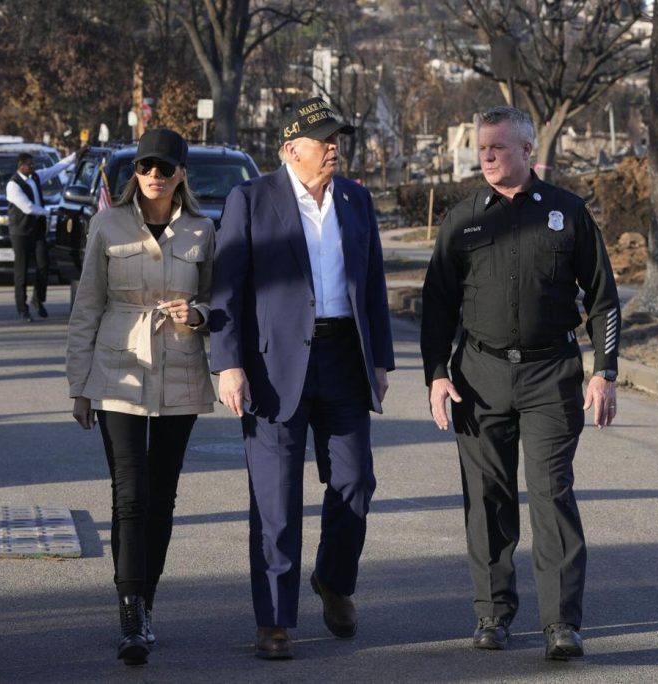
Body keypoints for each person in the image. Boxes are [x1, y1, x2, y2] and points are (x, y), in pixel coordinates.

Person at [420, 106, 620, 661]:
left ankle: (562, 624)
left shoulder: (567, 213)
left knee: (551, 494)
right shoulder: (461, 219)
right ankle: (492, 614)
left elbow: (603, 298)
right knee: (487, 498)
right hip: (478, 376)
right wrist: (437, 374)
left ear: (528, 151)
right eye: (482, 148)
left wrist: (604, 371)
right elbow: (436, 305)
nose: (486, 157)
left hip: (550, 373)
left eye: (498, 148)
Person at [210, 98, 395, 660]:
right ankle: (274, 619)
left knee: (356, 481)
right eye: (323, 139)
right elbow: (226, 288)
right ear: (292, 149)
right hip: (274, 366)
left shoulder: (357, 200)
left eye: (338, 137)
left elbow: (374, 284)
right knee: (276, 498)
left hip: (343, 358)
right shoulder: (251, 199)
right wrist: (229, 363)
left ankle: (334, 580)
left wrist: (380, 361)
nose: (334, 147)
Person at [66, 128, 215, 666]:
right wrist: (78, 385)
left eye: (164, 167)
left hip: (180, 365)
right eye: (145, 166)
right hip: (117, 368)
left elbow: (216, 299)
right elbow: (87, 304)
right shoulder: (107, 224)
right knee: (129, 493)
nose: (154, 175)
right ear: (135, 172)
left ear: (180, 173)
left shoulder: (202, 229)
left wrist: (197, 314)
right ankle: (130, 609)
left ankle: (145, 600)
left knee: (162, 494)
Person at [6, 150, 75, 321]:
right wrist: (50, 212)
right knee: (21, 270)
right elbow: (28, 207)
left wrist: (75, 156)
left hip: (37, 230)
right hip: (21, 232)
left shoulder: (35, 177)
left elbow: (56, 168)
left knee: (43, 265)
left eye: (33, 164)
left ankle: (38, 299)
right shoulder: (13, 185)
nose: (33, 167)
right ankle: (22, 308)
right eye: (30, 164)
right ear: (21, 167)